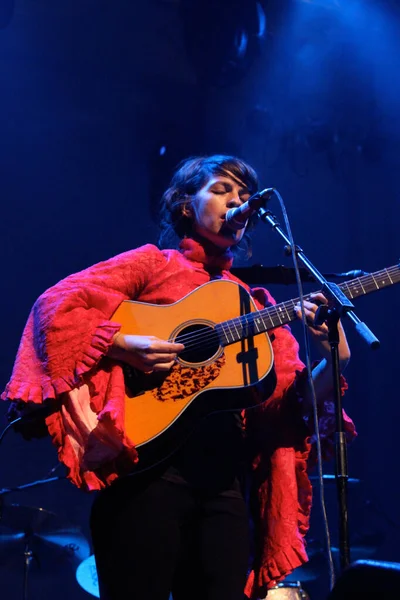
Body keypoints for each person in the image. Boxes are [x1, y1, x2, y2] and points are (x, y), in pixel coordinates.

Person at [1, 155, 356, 600]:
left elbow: (284, 409)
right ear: (187, 205)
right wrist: (121, 343)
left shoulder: (254, 304)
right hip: (146, 476)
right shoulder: (152, 265)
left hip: (224, 488)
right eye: (223, 190)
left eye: (245, 197)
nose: (238, 202)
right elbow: (55, 307)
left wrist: (334, 359)